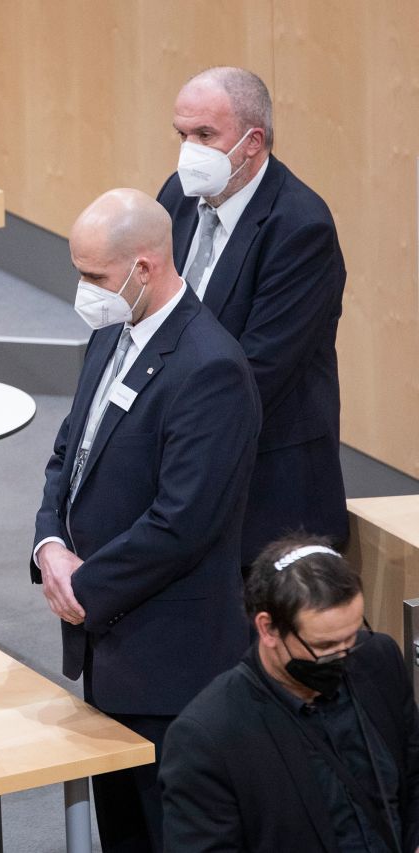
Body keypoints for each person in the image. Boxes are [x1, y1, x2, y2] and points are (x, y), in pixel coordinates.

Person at [31, 188, 261, 852]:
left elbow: (182, 523)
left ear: (145, 267)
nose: (84, 291)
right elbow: (67, 454)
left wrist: (85, 587)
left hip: (173, 666)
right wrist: (50, 543)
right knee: (122, 834)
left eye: (95, 276)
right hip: (110, 658)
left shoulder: (210, 367)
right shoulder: (111, 332)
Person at [156, 66, 347, 565]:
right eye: (182, 134)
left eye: (204, 135)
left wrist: (159, 420)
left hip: (266, 486)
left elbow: (258, 371)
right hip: (184, 457)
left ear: (251, 141)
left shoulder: (300, 228)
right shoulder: (176, 197)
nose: (188, 151)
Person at [161, 538, 419, 852]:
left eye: (352, 637)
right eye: (324, 647)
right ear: (268, 629)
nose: (343, 656)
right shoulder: (208, 736)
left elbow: (414, 773)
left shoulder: (378, 660)